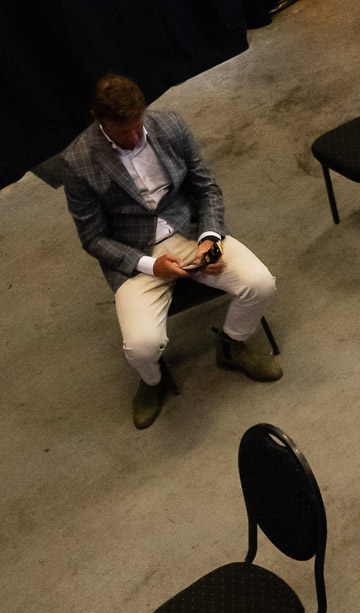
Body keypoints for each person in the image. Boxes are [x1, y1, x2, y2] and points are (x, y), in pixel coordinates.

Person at [63, 73, 282, 429]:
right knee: (142, 347)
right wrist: (151, 265)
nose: (135, 138)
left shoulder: (170, 125)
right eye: (123, 133)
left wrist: (210, 237)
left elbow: (206, 188)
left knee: (260, 284)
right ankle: (154, 381)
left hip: (189, 232)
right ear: (97, 119)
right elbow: (93, 238)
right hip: (136, 255)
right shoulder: (77, 162)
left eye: (138, 126)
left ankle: (232, 346)